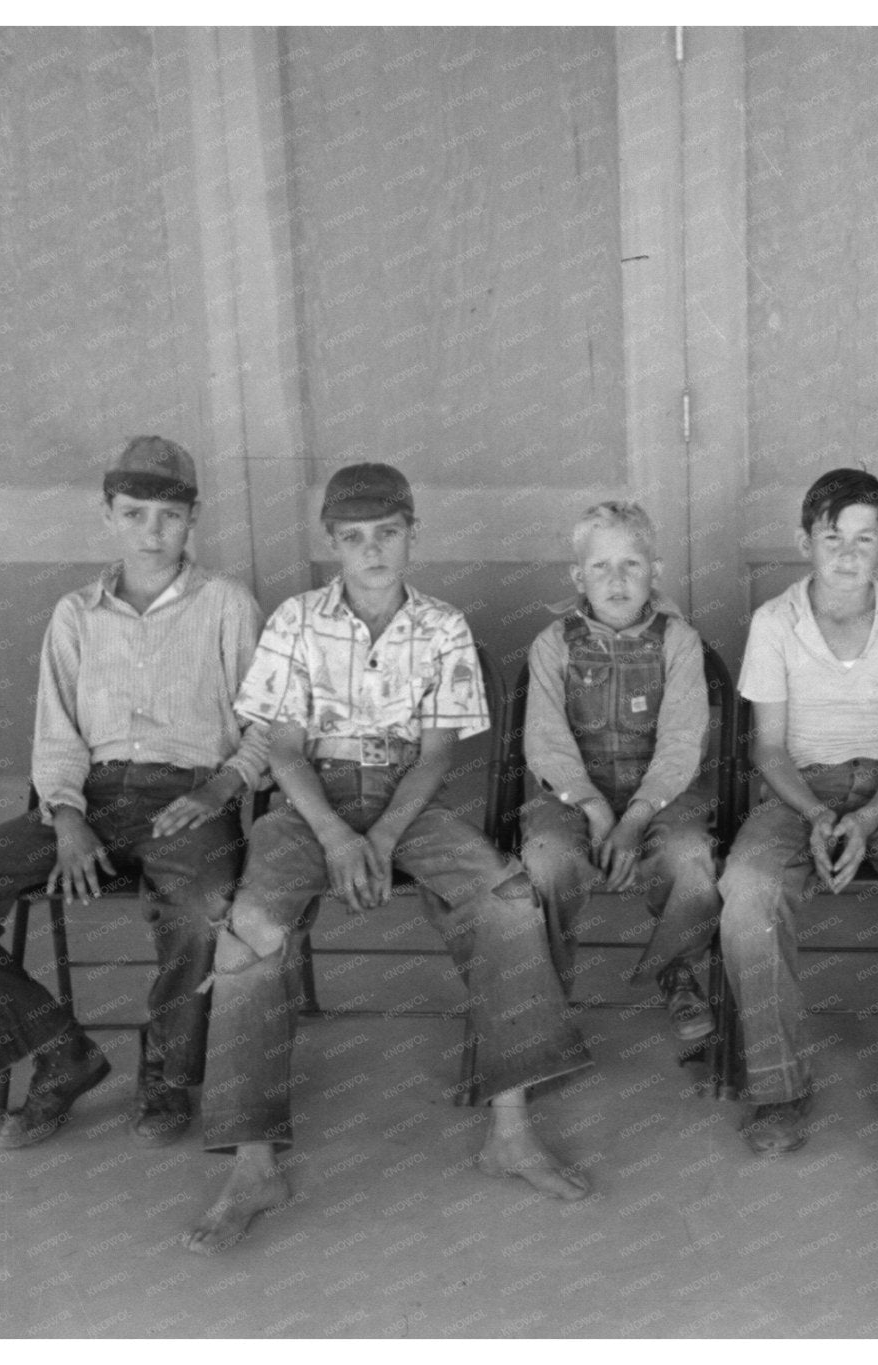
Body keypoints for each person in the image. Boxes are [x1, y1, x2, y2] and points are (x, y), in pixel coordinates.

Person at [184, 462, 591, 1254]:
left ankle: (509, 1128)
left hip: (405, 794)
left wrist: (381, 835)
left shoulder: (441, 626)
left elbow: (437, 754)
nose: (372, 551)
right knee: (252, 927)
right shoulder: (297, 620)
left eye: (388, 534)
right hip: (309, 801)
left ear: (412, 535)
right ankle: (254, 1162)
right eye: (354, 538)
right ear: (331, 542)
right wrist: (338, 835)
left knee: (506, 899)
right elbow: (288, 749)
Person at [0, 436, 268, 1149]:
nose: (151, 533)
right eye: (134, 514)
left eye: (168, 516)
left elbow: (268, 725)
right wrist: (65, 816)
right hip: (86, 800)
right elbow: (56, 737)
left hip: (191, 798)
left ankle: (167, 1069)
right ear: (107, 516)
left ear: (194, 519)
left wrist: (221, 787)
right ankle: (61, 1051)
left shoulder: (227, 604)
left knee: (202, 909)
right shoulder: (75, 614)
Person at [718, 468, 878, 1173]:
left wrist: (864, 818)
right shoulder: (776, 621)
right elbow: (767, 748)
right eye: (833, 537)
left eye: (865, 539)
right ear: (804, 540)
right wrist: (813, 814)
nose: (847, 553)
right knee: (746, 886)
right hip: (796, 787)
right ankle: (779, 1086)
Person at [519, 500, 720, 1038]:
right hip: (571, 798)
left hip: (659, 796)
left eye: (631, 564)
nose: (616, 579)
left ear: (654, 572)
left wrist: (633, 818)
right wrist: (591, 809)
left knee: (691, 857)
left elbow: (681, 743)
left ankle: (676, 969)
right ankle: (548, 994)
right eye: (600, 566)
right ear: (578, 576)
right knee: (545, 860)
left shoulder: (679, 642)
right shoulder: (552, 646)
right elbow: (546, 743)